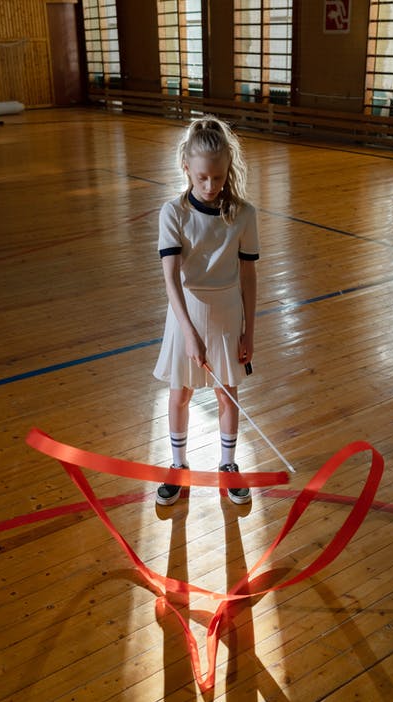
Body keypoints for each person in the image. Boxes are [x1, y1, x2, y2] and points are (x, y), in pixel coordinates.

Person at [153, 115, 259, 506]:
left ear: (228, 169)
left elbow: (248, 275)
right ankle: (178, 465)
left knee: (227, 394)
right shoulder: (173, 213)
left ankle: (228, 466)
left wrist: (250, 330)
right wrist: (189, 333)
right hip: (185, 313)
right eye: (202, 178)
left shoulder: (243, 214)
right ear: (186, 168)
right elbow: (170, 281)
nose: (210, 186)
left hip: (228, 313)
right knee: (179, 392)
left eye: (217, 177)